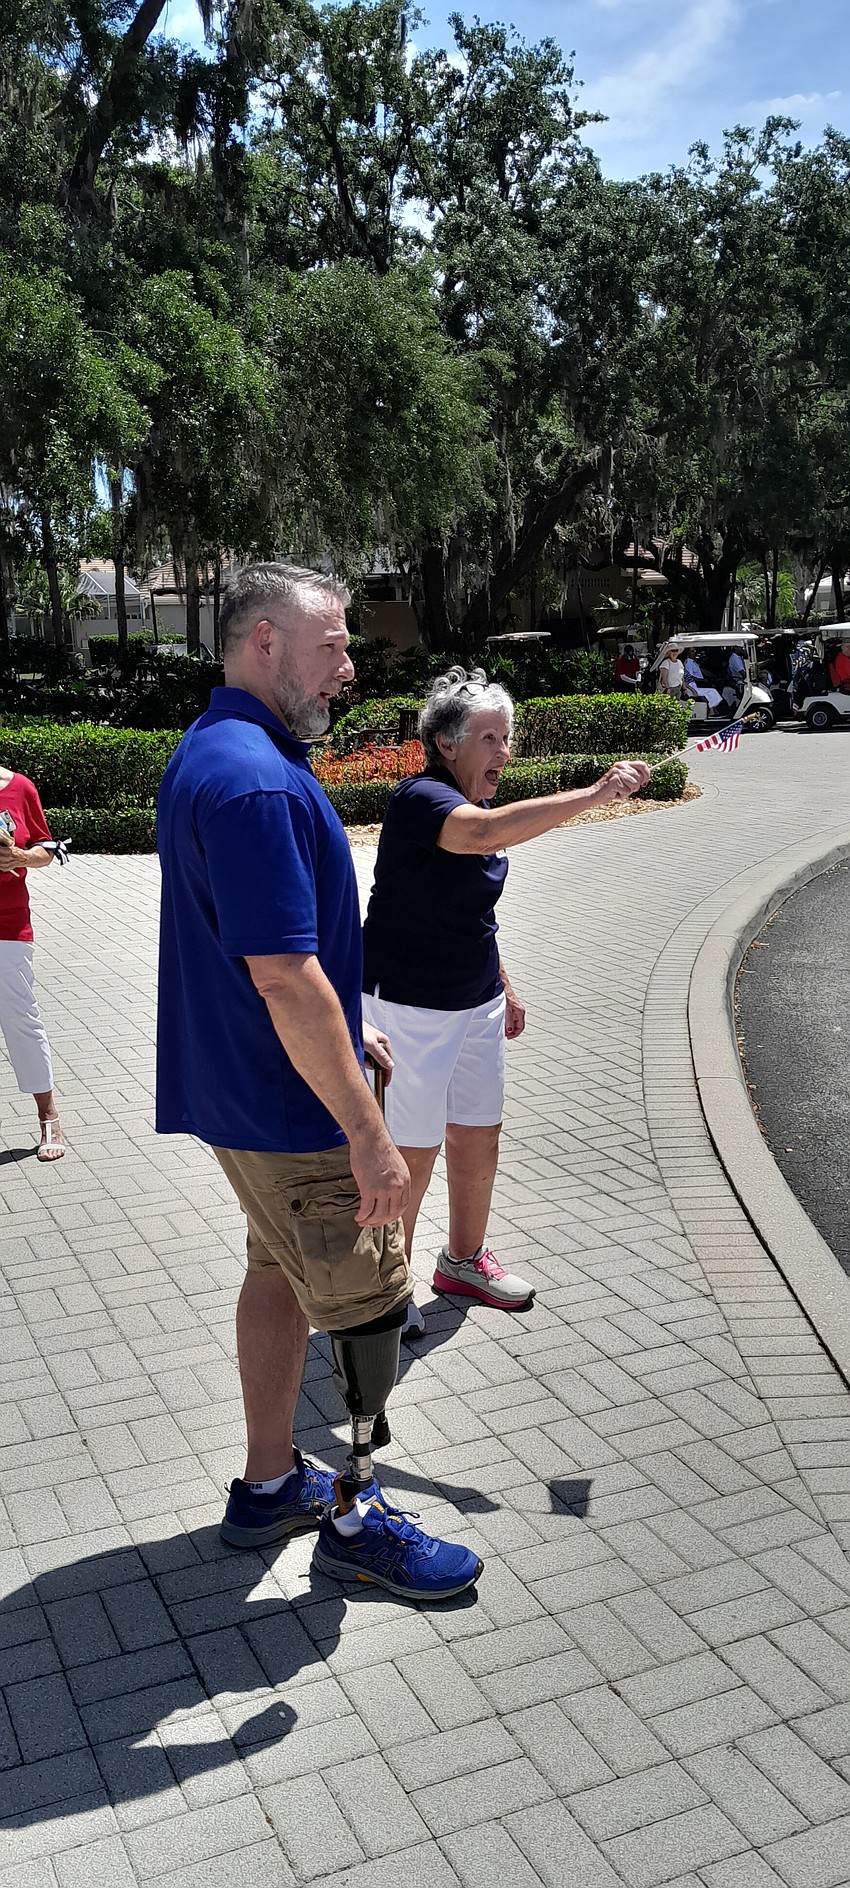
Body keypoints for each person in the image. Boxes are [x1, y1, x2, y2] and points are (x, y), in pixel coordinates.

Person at [156, 564, 481, 1602]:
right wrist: (369, 1135)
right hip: (296, 1112)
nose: (348, 666)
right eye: (332, 644)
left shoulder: (215, 748)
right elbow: (285, 978)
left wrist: (347, 1025)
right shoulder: (253, 778)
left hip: (250, 1095)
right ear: (264, 642)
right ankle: (354, 1515)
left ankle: (267, 1486)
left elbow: (284, 969)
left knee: (278, 1273)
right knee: (368, 1302)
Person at [361, 667, 650, 1336]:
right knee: (411, 1149)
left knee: (476, 1133)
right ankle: (387, 1288)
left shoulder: (476, 805)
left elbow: (470, 912)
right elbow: (484, 836)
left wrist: (505, 985)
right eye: (490, 739)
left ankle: (462, 1261)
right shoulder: (422, 799)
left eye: (506, 738)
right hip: (408, 1008)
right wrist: (596, 793)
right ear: (447, 743)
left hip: (476, 1002)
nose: (505, 752)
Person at [0, 766, 65, 1160]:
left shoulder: (20, 787)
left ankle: (48, 1115)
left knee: (21, 1021)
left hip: (7, 923)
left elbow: (47, 848)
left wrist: (19, 856)